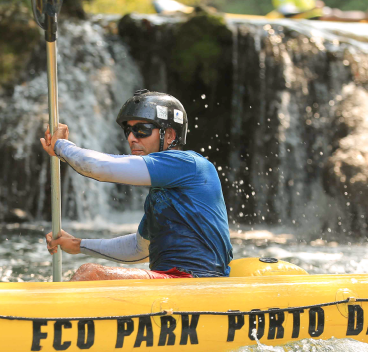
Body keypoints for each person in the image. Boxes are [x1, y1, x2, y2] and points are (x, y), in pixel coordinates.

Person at [39, 89, 233, 281]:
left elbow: (100, 167)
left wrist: (61, 145)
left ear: (169, 135)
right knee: (90, 272)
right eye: (128, 131)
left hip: (198, 280)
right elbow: (139, 248)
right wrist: (78, 244)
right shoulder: (161, 193)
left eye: (141, 130)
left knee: (90, 274)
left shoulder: (188, 164)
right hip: (174, 280)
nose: (131, 138)